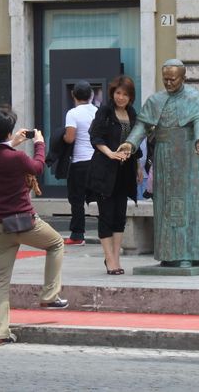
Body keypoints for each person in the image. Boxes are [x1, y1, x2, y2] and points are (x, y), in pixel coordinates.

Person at [0, 110, 67, 346]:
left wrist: (11, 142)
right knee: (56, 243)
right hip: (25, 221)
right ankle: (49, 295)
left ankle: (0, 333)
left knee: (0, 281)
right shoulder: (15, 159)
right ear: (6, 132)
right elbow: (37, 167)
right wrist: (39, 143)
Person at [118, 59, 199, 269]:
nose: (169, 83)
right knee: (165, 204)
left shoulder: (196, 98)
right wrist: (130, 143)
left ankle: (190, 253)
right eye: (165, 79)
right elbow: (142, 126)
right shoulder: (156, 100)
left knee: (189, 204)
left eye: (173, 79)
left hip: (188, 156)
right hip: (164, 157)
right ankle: (168, 252)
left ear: (183, 77)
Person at [86, 75, 141, 275]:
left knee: (119, 216)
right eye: (118, 93)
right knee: (106, 215)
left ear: (130, 97)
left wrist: (138, 167)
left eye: (125, 94)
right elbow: (95, 137)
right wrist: (110, 153)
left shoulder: (133, 113)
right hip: (104, 169)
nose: (121, 97)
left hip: (125, 171)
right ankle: (109, 259)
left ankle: (116, 258)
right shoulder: (105, 111)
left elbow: (136, 142)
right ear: (112, 93)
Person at [63, 80, 98, 245]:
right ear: (91, 95)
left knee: (76, 199)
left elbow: (70, 138)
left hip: (79, 162)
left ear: (73, 95)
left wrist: (60, 137)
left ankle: (77, 234)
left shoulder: (73, 113)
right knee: (100, 197)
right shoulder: (98, 111)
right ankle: (108, 231)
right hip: (97, 161)